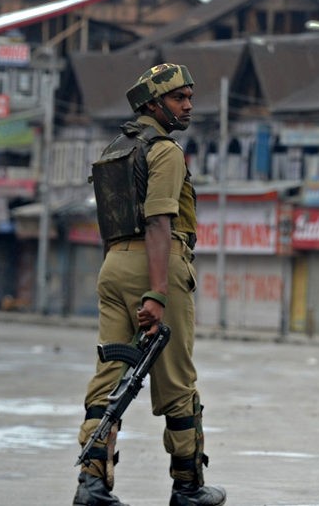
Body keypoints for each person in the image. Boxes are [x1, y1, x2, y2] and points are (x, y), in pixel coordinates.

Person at [73, 63, 226, 506]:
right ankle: (188, 487)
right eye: (180, 98)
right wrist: (157, 292)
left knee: (110, 376)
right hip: (156, 265)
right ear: (153, 104)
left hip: (114, 264)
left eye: (190, 97)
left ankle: (92, 485)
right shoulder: (165, 152)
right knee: (176, 380)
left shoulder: (116, 149)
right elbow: (159, 220)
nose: (189, 106)